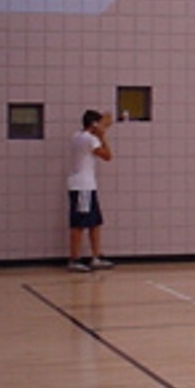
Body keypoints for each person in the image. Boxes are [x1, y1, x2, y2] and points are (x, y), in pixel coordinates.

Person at [67, 109, 114, 273]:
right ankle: (74, 259)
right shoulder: (89, 139)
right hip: (82, 187)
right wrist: (103, 135)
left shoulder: (77, 136)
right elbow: (108, 155)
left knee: (94, 223)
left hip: (86, 186)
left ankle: (96, 257)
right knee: (79, 224)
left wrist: (102, 128)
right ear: (93, 125)